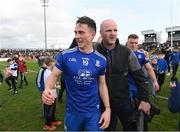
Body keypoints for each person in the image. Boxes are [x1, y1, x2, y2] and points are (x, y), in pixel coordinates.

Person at [42, 16, 111, 131]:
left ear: (92, 34)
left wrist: (108, 108)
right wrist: (47, 89)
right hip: (73, 113)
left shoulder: (101, 60)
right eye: (75, 33)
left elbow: (102, 84)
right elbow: (53, 75)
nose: (77, 36)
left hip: (94, 113)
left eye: (81, 32)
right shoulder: (65, 56)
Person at [96, 19, 150, 131]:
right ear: (100, 32)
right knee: (107, 129)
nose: (113, 33)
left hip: (124, 101)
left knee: (131, 128)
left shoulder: (126, 51)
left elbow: (139, 77)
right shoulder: (94, 51)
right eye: (109, 30)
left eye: (115, 30)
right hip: (102, 103)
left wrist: (144, 99)